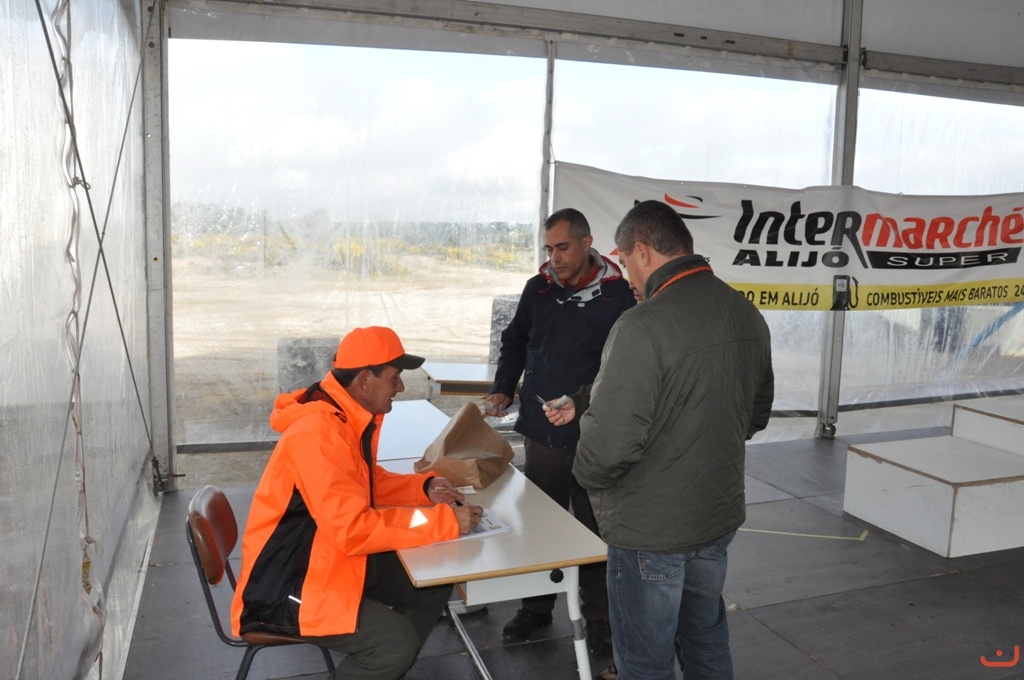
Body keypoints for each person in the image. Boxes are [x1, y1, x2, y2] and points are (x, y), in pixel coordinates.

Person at [548, 200, 774, 680]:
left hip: (650, 531)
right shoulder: (744, 311)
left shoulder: (642, 323)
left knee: (645, 661)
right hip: (716, 516)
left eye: (625, 261)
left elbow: (610, 445)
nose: (627, 276)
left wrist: (586, 478)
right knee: (706, 640)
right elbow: (754, 414)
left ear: (643, 252)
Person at [230, 326, 483, 680]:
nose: (400, 387)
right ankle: (386, 659)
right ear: (364, 380)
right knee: (393, 645)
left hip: (326, 557)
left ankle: (382, 670)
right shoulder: (319, 433)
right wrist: (446, 522)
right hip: (287, 585)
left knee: (432, 584)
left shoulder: (340, 416)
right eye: (394, 378)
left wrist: (423, 489)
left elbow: (362, 483)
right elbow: (353, 530)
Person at [484, 207, 636, 657]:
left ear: (588, 243)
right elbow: (515, 341)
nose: (554, 258)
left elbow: (624, 367)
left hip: (593, 434)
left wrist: (587, 407)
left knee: (594, 528)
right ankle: (536, 607)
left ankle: (599, 617)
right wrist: (502, 387)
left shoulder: (619, 296)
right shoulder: (538, 288)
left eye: (563, 247)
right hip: (541, 432)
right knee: (540, 524)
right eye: (549, 249)